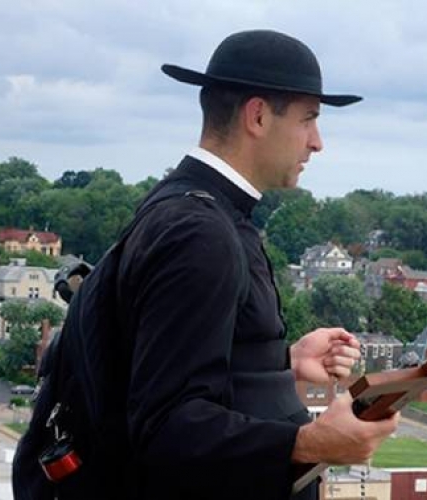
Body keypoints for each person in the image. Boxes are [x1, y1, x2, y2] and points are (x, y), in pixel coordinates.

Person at [120, 30, 398, 499]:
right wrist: (310, 442)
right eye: (309, 119)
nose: (317, 143)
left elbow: (185, 368)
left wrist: (281, 365)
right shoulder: (200, 234)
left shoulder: (192, 208)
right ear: (258, 116)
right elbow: (165, 426)